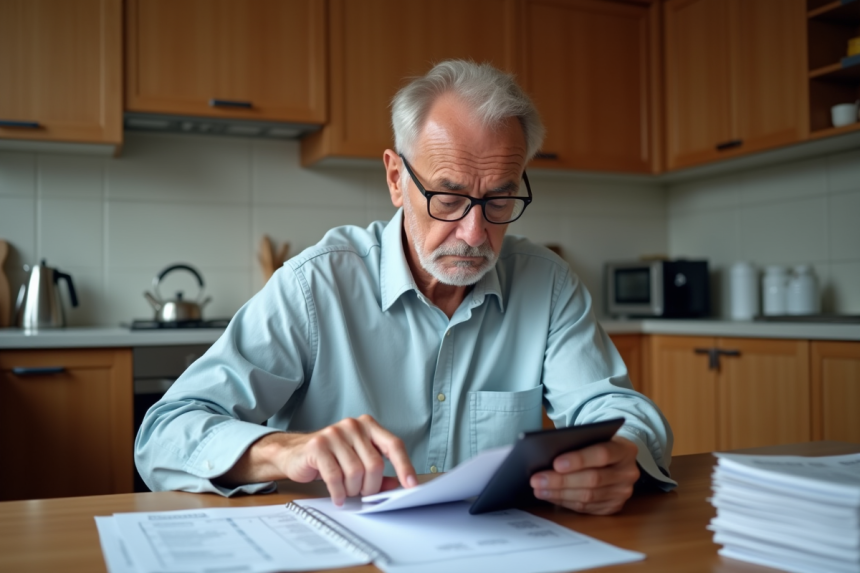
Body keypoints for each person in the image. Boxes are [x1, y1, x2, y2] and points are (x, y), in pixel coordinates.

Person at [136, 60, 676, 516]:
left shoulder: (547, 284)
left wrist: (624, 452)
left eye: (499, 200)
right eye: (448, 197)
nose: (474, 232)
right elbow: (163, 433)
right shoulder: (315, 285)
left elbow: (615, 406)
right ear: (396, 179)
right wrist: (283, 451)